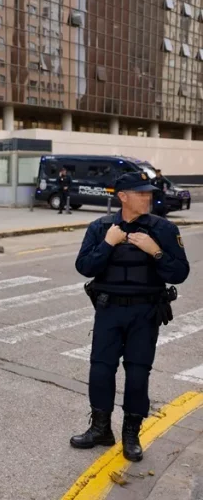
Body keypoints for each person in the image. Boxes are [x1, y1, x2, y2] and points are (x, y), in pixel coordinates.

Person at [70, 171, 189, 462]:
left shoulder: (163, 229)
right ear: (123, 197)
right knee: (100, 369)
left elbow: (180, 273)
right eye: (140, 193)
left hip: (145, 312)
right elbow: (84, 266)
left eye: (148, 193)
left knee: (137, 373)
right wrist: (108, 243)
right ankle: (100, 429)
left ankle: (131, 434)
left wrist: (156, 252)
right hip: (109, 310)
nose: (147, 197)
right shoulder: (100, 228)